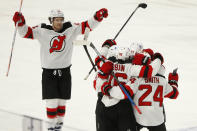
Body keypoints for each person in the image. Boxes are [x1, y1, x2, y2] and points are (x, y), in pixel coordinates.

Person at [12, 8, 108, 131]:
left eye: (61, 20)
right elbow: (25, 33)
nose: (59, 22)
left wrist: (98, 16)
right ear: (51, 20)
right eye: (56, 20)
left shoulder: (70, 28)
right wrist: (20, 22)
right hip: (49, 74)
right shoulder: (42, 30)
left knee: (62, 103)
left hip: (65, 72)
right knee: (52, 102)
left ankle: (59, 127)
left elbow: (87, 25)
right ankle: (51, 128)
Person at [93, 40, 164, 131]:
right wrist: (158, 58)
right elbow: (150, 70)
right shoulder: (132, 68)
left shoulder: (105, 64)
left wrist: (106, 46)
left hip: (103, 105)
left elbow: (98, 60)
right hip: (124, 107)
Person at [108, 65, 179, 131]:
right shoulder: (163, 81)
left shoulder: (138, 78)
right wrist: (173, 81)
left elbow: (124, 93)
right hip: (157, 120)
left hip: (139, 118)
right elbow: (174, 94)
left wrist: (108, 90)